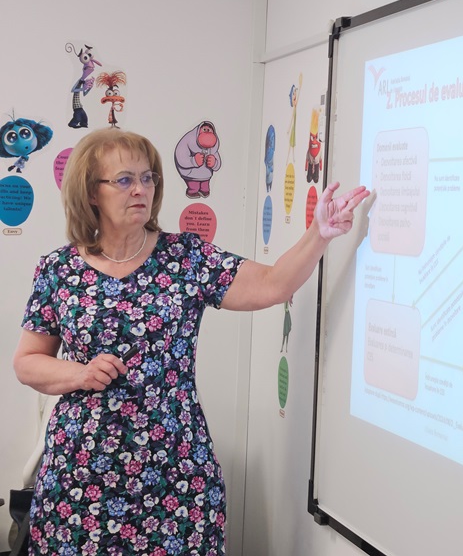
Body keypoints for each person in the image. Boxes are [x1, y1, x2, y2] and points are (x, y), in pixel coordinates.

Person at [12, 128, 369, 555]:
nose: (141, 189)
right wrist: (79, 374)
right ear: (91, 192)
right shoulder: (59, 269)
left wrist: (319, 234)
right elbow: (28, 361)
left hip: (175, 476)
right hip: (81, 479)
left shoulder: (186, 257)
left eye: (148, 177)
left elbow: (274, 284)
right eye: (124, 179)